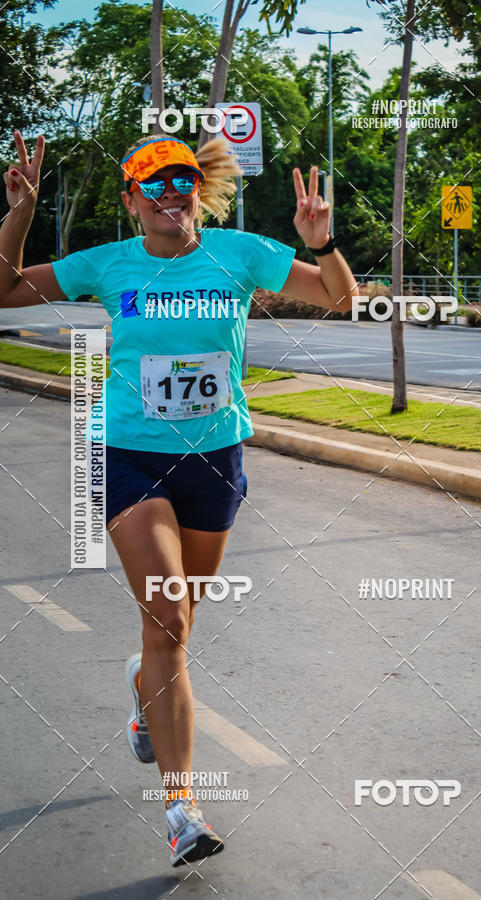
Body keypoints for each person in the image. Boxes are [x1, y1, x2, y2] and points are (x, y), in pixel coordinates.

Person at [0, 129, 358, 866]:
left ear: (198, 189)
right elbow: (2, 291)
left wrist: (322, 244)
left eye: (183, 179)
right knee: (165, 616)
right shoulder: (106, 263)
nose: (172, 193)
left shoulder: (240, 253)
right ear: (132, 199)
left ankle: (142, 683)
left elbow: (338, 296)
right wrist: (21, 213)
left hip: (215, 463)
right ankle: (181, 806)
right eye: (154, 183)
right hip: (129, 457)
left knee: (175, 634)